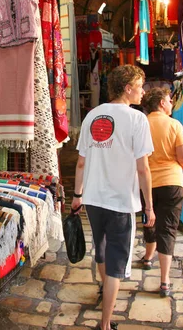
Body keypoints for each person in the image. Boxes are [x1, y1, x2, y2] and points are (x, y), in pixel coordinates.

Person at [72, 65, 155, 330]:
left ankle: (103, 291)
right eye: (141, 86)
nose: (144, 92)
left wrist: (77, 195)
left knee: (102, 249)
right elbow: (143, 168)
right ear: (128, 87)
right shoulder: (137, 120)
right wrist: (149, 207)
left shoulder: (92, 116)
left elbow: (81, 163)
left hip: (94, 199)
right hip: (120, 202)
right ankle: (105, 324)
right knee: (117, 262)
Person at [141, 87, 183, 297]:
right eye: (169, 100)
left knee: (149, 219)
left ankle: (147, 257)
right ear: (161, 103)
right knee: (167, 229)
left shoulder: (141, 124)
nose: (171, 104)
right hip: (172, 182)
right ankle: (164, 280)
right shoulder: (174, 125)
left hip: (146, 182)